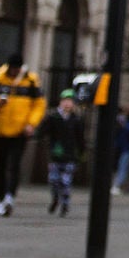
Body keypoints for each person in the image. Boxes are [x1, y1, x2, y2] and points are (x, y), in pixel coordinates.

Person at [0, 52, 45, 217]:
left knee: (13, 165)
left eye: (17, 68)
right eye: (12, 68)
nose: (14, 71)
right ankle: (0, 199)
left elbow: (39, 104)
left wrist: (31, 124)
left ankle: (9, 197)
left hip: (19, 131)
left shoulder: (31, 80)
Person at [40, 90, 86, 218]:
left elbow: (80, 138)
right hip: (56, 154)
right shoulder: (53, 117)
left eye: (70, 101)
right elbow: (43, 131)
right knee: (54, 180)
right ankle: (55, 198)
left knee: (65, 181)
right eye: (65, 101)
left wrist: (82, 152)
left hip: (70, 155)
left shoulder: (76, 119)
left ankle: (65, 204)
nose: (67, 104)